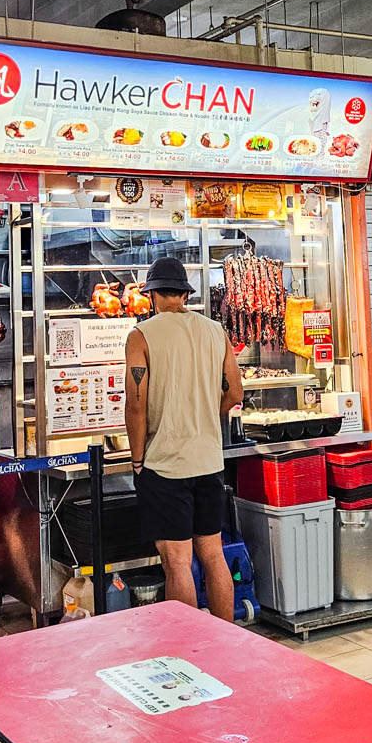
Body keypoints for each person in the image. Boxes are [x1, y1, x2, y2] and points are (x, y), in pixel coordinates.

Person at [124, 257, 244, 620]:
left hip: (165, 466)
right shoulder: (214, 330)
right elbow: (236, 393)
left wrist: (136, 459)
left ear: (153, 294)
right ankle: (226, 637)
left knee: (177, 561)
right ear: (184, 294)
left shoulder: (141, 335)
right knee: (212, 553)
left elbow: (136, 404)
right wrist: (209, 414)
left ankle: (188, 648)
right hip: (209, 461)